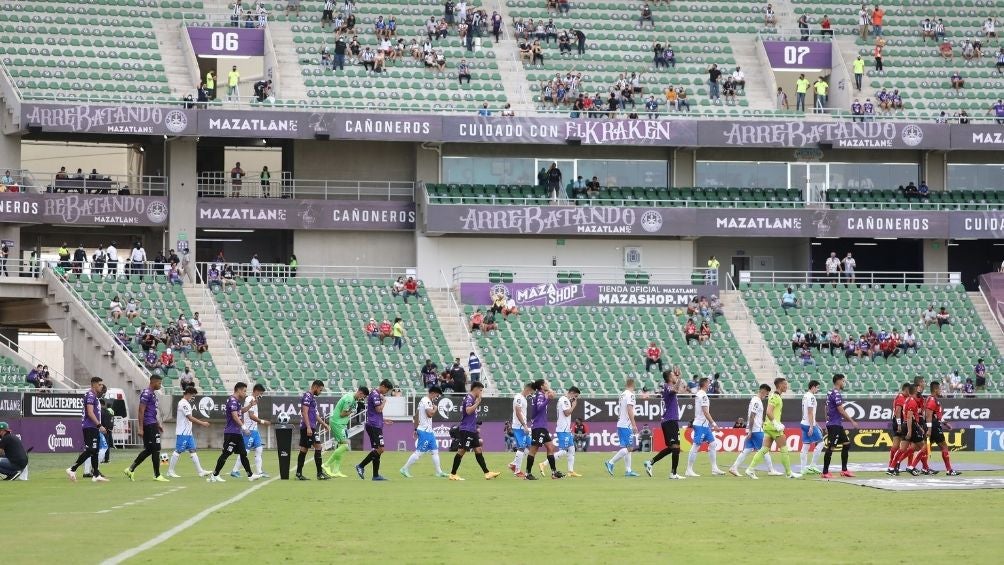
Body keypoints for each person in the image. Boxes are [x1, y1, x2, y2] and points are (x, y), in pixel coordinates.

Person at [747, 378, 800, 479]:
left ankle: (750, 469)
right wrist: (776, 424)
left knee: (764, 449)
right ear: (780, 385)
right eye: (785, 384)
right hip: (774, 428)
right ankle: (789, 473)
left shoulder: (774, 396)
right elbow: (769, 412)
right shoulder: (775, 397)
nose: (786, 386)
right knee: (784, 449)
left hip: (768, 427)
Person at [208, 383, 260, 482]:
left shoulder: (237, 401)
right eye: (244, 391)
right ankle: (214, 475)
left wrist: (250, 405)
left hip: (237, 433)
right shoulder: (232, 400)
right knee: (226, 454)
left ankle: (250, 475)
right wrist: (244, 427)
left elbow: (241, 411)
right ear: (238, 390)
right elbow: (235, 416)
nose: (245, 393)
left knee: (243, 454)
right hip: (231, 433)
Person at [448, 382, 500, 480]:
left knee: (478, 449)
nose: (481, 393)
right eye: (480, 390)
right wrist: (477, 402)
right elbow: (468, 411)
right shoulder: (469, 398)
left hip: (472, 429)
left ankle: (487, 473)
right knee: (461, 451)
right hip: (467, 429)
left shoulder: (472, 399)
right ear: (476, 389)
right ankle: (453, 474)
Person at [66, 377, 110, 482]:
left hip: (93, 427)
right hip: (89, 427)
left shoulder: (94, 396)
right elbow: (90, 413)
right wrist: (99, 425)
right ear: (94, 385)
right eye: (99, 384)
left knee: (95, 451)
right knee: (91, 450)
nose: (101, 386)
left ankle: (95, 474)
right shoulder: (90, 395)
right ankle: (72, 469)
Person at [124, 374, 168, 482]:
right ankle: (157, 475)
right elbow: (141, 410)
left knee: (150, 449)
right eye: (159, 383)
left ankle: (130, 469)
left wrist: (158, 424)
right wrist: (140, 428)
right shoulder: (146, 393)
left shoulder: (153, 394)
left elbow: (152, 411)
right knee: (156, 448)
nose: (160, 385)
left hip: (153, 423)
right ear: (153, 382)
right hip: (148, 424)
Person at [644, 370, 685, 479]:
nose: (674, 376)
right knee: (676, 448)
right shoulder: (667, 387)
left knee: (673, 448)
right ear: (669, 377)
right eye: (672, 375)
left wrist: (678, 379)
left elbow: (680, 390)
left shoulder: (669, 387)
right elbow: (676, 389)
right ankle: (673, 473)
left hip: (671, 421)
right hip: (669, 421)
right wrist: (679, 378)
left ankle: (650, 462)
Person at [400, 386, 448, 478]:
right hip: (424, 431)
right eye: (436, 395)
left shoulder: (423, 401)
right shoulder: (427, 401)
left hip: (428, 431)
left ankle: (439, 472)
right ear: (433, 393)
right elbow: (430, 414)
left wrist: (415, 429)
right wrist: (435, 409)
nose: (436, 398)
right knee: (419, 453)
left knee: (435, 451)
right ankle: (404, 468)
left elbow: (416, 416)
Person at [729, 384, 772, 479]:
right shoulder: (757, 401)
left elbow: (753, 416)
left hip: (752, 429)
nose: (766, 396)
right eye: (767, 394)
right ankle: (770, 470)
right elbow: (752, 416)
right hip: (756, 430)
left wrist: (749, 430)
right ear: (763, 391)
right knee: (765, 449)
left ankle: (734, 467)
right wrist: (751, 431)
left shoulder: (755, 400)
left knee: (747, 450)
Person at [323, 386, 368, 478]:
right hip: (337, 423)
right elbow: (342, 413)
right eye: (363, 396)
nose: (363, 399)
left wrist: (354, 409)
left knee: (341, 446)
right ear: (360, 393)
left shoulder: (353, 398)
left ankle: (336, 470)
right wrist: (352, 411)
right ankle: (326, 465)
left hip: (341, 423)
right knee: (345, 446)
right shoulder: (349, 399)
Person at [166, 386, 211, 478]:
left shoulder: (186, 403)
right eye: (193, 396)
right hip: (183, 432)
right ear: (188, 394)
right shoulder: (183, 403)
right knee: (178, 451)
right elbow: (189, 417)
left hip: (188, 433)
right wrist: (202, 423)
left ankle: (200, 471)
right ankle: (170, 471)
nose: (193, 398)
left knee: (193, 450)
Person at [821, 374, 858, 479]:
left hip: (834, 424)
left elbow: (825, 407)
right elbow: (841, 410)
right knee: (831, 447)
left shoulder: (829, 392)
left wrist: (826, 422)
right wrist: (852, 421)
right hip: (835, 424)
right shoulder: (836, 393)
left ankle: (844, 470)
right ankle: (825, 472)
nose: (844, 383)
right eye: (843, 381)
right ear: (838, 381)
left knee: (846, 444)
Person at [355, 379, 394, 481]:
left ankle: (375, 475)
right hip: (373, 426)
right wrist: (384, 401)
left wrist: (384, 420)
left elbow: (374, 412)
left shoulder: (375, 394)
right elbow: (378, 409)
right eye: (387, 390)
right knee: (380, 449)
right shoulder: (376, 394)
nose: (386, 393)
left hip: (375, 424)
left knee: (377, 450)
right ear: (383, 386)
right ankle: (361, 466)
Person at [685, 377, 725, 477]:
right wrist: (714, 424)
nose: (710, 384)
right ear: (705, 384)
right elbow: (706, 412)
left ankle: (714, 468)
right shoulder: (703, 396)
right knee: (696, 446)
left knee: (712, 444)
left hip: (704, 425)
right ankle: (688, 470)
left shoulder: (700, 394)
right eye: (708, 382)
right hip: (700, 425)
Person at [524, 379, 563, 480]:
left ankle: (554, 473)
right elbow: (540, 407)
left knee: (551, 447)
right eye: (545, 383)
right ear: (541, 386)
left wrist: (549, 394)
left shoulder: (540, 394)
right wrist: (548, 399)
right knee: (533, 450)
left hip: (542, 427)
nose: (547, 384)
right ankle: (527, 474)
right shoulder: (540, 395)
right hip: (538, 426)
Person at [230, 383, 270, 478]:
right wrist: (263, 421)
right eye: (261, 393)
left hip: (254, 430)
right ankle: (235, 470)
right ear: (256, 391)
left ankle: (259, 471)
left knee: (259, 449)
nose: (261, 396)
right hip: (250, 430)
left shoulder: (254, 400)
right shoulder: (250, 399)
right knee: (245, 451)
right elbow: (251, 416)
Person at [295, 380, 331, 480]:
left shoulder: (312, 398)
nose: (320, 392)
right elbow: (304, 412)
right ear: (315, 387)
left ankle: (299, 473)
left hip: (310, 427)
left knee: (304, 449)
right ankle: (319, 474)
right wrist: (309, 427)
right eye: (320, 389)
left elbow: (314, 414)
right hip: (308, 427)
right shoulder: (307, 396)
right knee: (318, 447)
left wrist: (324, 424)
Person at [604, 378, 639, 478]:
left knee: (627, 447)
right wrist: (634, 424)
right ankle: (610, 462)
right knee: (630, 448)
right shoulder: (631, 395)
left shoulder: (622, 394)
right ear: (633, 384)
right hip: (626, 425)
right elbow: (629, 409)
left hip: (621, 423)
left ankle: (628, 470)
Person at [926, 381, 961, 476]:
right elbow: (928, 415)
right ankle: (949, 470)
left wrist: (946, 424)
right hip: (934, 426)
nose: (941, 390)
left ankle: (917, 467)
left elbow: (938, 415)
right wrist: (929, 429)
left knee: (924, 448)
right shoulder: (932, 400)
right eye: (940, 389)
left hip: (933, 425)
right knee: (944, 446)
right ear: (935, 389)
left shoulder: (931, 399)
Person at [549, 386, 581, 477]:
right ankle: (544, 463)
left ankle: (570, 471)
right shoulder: (564, 400)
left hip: (566, 430)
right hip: (563, 429)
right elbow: (567, 413)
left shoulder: (566, 400)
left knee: (571, 449)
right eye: (575, 396)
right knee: (563, 451)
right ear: (572, 393)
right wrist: (574, 405)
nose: (575, 398)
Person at [799, 380, 825, 475]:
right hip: (809, 424)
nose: (818, 389)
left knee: (806, 446)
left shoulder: (805, 395)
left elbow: (808, 412)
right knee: (821, 443)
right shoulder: (811, 397)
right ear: (813, 387)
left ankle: (803, 469)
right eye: (817, 387)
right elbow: (810, 412)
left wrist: (816, 423)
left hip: (803, 423)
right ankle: (813, 465)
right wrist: (811, 426)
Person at [885, 382, 911, 475]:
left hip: (897, 422)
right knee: (903, 445)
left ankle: (891, 465)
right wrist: (900, 425)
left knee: (896, 445)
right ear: (906, 390)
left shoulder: (901, 397)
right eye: (910, 391)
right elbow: (898, 412)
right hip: (899, 423)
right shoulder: (901, 397)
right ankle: (894, 465)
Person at [508, 382, 532, 478]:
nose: (531, 393)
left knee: (530, 447)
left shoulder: (524, 398)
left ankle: (513, 464)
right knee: (521, 447)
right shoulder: (518, 398)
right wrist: (524, 425)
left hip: (523, 426)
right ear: (528, 389)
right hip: (518, 426)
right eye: (531, 391)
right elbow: (518, 412)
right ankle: (517, 471)